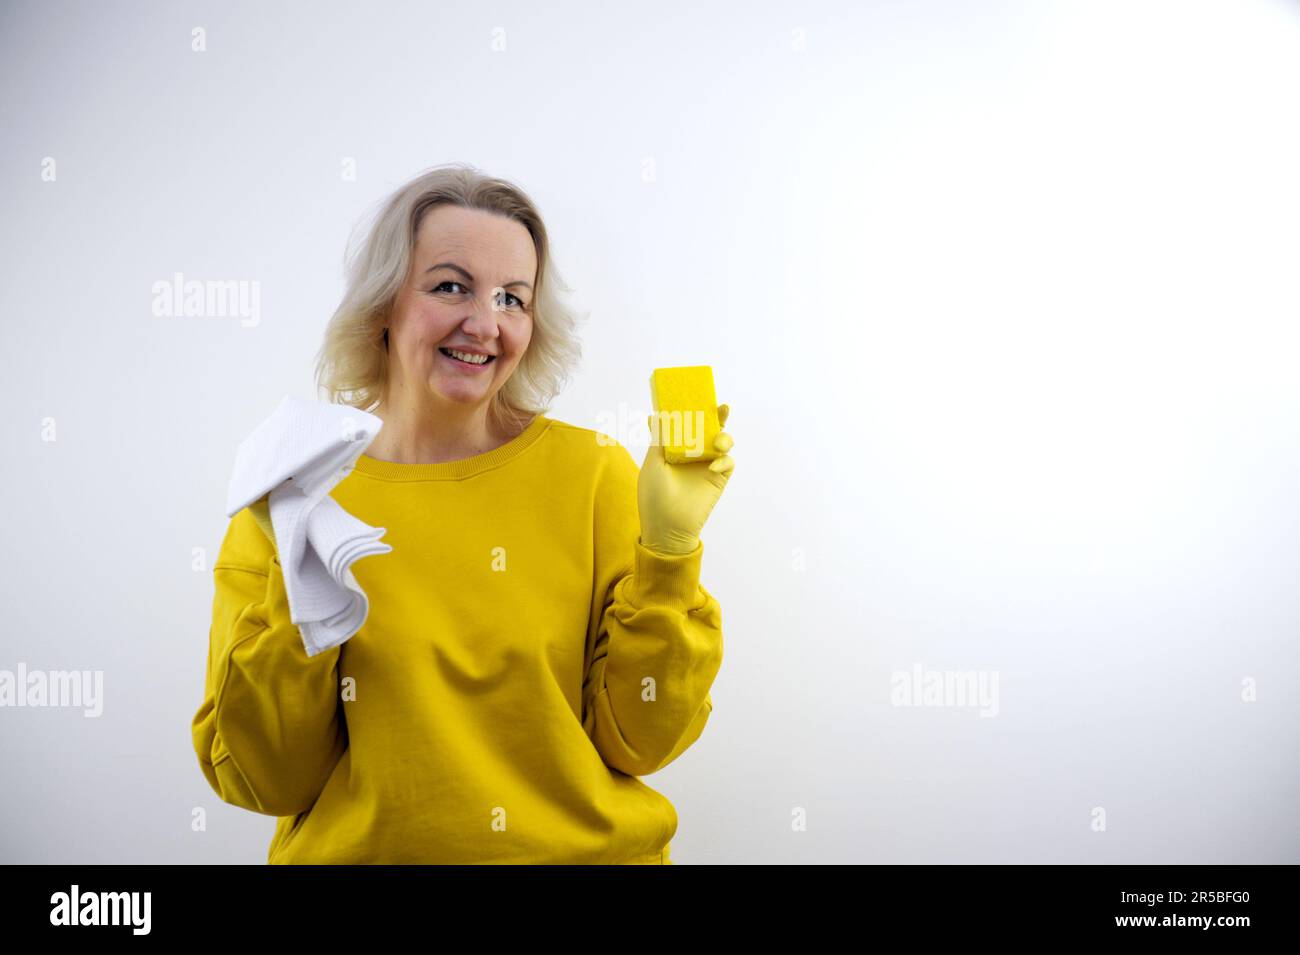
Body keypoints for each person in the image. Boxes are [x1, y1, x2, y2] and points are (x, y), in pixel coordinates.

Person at [190, 163, 736, 864]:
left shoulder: (595, 474)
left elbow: (641, 740)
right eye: (451, 285)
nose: (485, 323)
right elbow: (268, 777)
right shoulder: (293, 494)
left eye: (513, 297)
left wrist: (668, 548)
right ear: (384, 303)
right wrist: (298, 579)